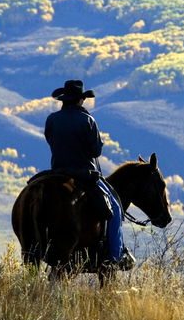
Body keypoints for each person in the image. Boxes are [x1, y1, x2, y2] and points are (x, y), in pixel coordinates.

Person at [44, 79, 134, 269]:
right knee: (116, 209)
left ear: (64, 99)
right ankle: (114, 257)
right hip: (84, 174)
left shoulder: (52, 119)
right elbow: (95, 152)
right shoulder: (87, 120)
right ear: (80, 100)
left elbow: (50, 141)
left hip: (57, 172)